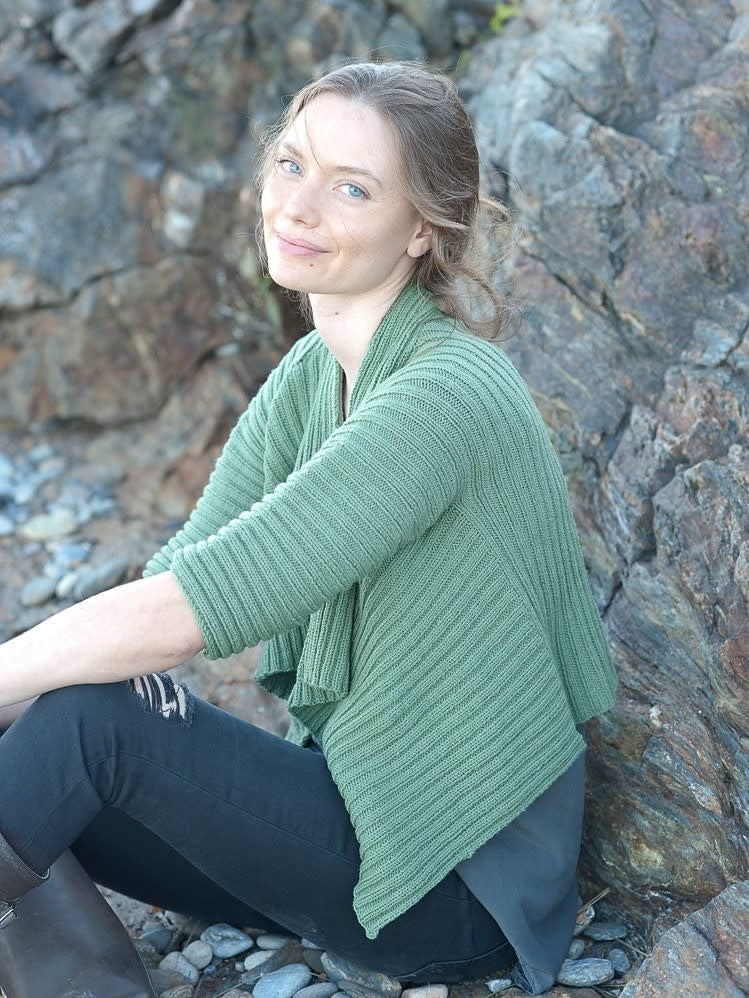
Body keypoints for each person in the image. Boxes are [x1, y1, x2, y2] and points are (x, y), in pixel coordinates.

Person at [0, 61, 617, 997]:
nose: (297, 206)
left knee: (88, 720)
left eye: (351, 188)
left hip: (450, 886)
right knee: (48, 700)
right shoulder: (309, 377)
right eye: (291, 165)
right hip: (349, 822)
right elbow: (173, 575)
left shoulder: (445, 395)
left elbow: (187, 615)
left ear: (422, 228)